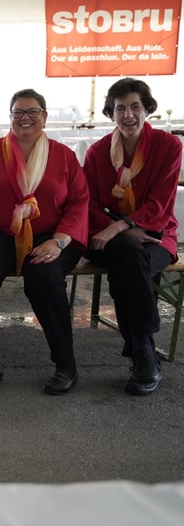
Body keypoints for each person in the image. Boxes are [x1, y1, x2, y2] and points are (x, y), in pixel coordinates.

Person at [0, 88, 89, 396]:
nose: (25, 118)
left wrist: (58, 242)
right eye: (18, 113)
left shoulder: (63, 155)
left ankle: (65, 363)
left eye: (32, 112)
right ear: (11, 117)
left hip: (51, 235)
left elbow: (80, 202)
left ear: (44, 117)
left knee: (44, 276)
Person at [83, 78, 181, 396]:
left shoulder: (169, 147)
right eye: (120, 108)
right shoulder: (97, 153)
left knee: (130, 259)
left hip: (156, 235)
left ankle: (140, 348)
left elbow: (161, 203)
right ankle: (145, 351)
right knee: (129, 255)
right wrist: (119, 228)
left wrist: (123, 226)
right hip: (103, 237)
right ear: (110, 113)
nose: (128, 115)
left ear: (147, 109)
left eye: (135, 106)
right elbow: (88, 203)